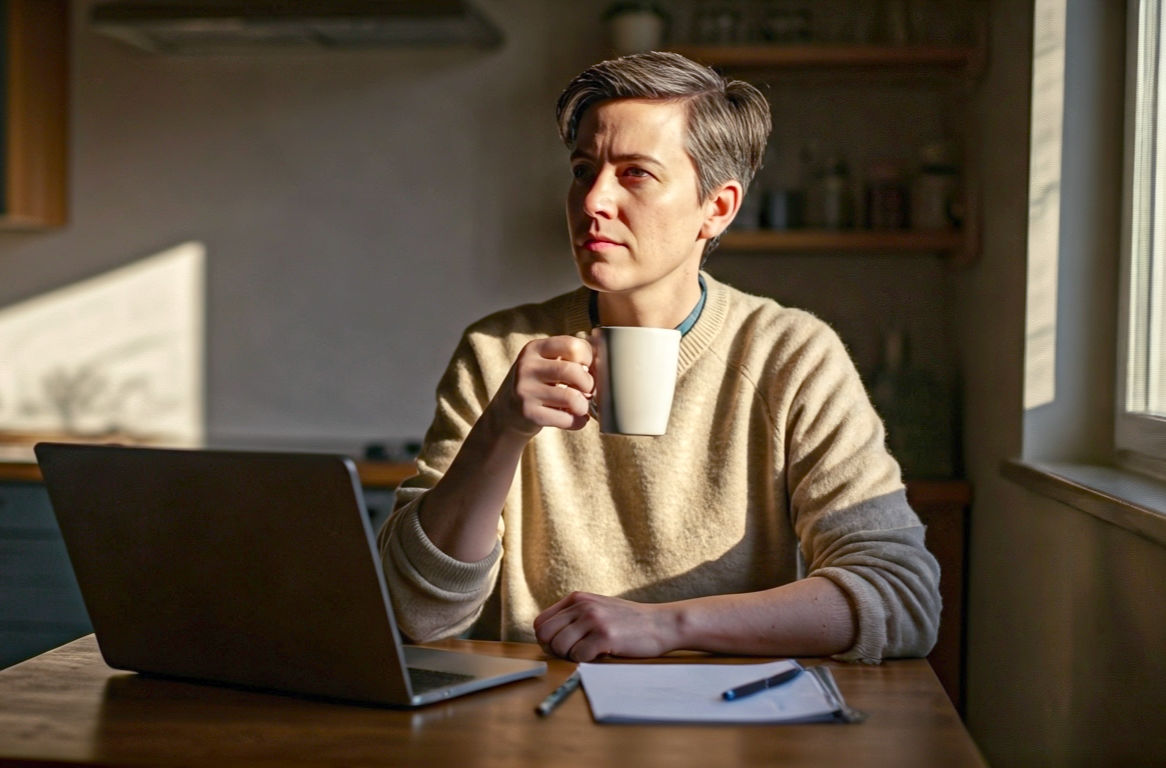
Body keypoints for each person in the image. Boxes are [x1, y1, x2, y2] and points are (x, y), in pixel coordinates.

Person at [376, 51, 940, 664]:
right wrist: (500, 431)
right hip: (531, 725)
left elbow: (902, 595)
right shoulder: (498, 354)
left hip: (733, 728)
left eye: (635, 173)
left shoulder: (790, 355)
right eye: (583, 169)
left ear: (716, 208)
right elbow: (417, 614)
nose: (593, 201)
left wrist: (664, 626)